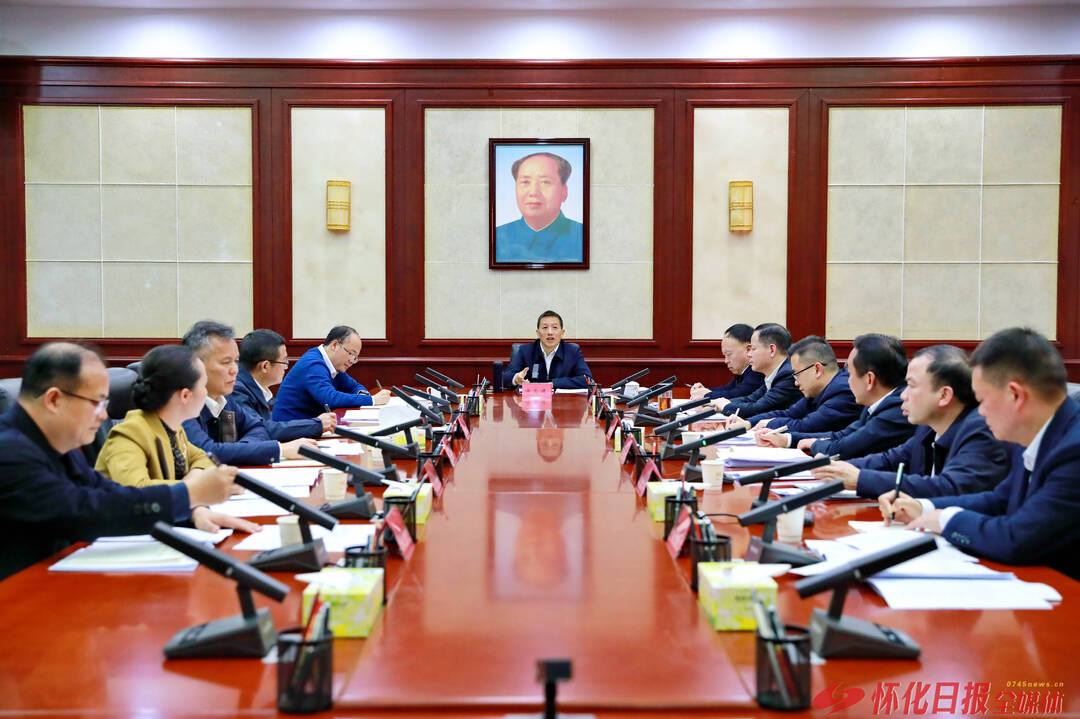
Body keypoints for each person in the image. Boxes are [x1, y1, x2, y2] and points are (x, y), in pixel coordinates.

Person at [0, 342, 245, 581]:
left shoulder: (57, 442)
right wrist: (188, 494)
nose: (104, 415)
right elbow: (84, 512)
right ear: (54, 400)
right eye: (97, 403)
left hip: (56, 578)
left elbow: (107, 491)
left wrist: (191, 512)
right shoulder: (10, 452)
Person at [883, 328, 1080, 580]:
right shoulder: (1035, 433)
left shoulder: (1073, 450)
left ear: (1015, 395)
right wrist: (923, 507)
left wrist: (946, 519)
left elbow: (1018, 538)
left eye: (983, 400)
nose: (980, 412)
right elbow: (999, 500)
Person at [812, 345, 1009, 499]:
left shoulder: (981, 430)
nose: (903, 395)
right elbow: (891, 460)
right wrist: (835, 467)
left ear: (944, 395)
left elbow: (949, 487)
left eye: (911, 386)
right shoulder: (927, 427)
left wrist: (860, 479)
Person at [181, 321, 317, 466]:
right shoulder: (183, 402)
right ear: (196, 365)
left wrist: (240, 449)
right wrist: (279, 450)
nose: (235, 370)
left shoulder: (225, 398)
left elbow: (257, 427)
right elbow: (207, 452)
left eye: (236, 361)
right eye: (226, 362)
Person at [759, 333, 916, 458]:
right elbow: (843, 435)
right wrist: (788, 439)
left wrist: (813, 444)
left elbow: (845, 447)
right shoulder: (875, 403)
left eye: (850, 374)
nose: (848, 380)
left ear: (869, 379)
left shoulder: (897, 408)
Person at [734, 335, 861, 440]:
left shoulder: (843, 391)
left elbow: (806, 426)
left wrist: (769, 423)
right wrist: (749, 423)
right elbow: (789, 413)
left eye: (797, 374)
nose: (796, 382)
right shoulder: (819, 390)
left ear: (817, 369)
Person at [234, 329, 337, 441]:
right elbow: (261, 430)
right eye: (284, 361)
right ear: (265, 366)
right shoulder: (236, 391)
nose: (286, 367)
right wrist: (316, 424)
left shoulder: (249, 384)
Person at [273, 325, 390, 421]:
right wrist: (372, 400)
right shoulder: (314, 364)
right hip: (290, 430)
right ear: (335, 345)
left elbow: (354, 386)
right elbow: (330, 399)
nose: (351, 361)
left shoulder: (332, 364)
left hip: (309, 425)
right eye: (351, 354)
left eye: (355, 357)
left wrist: (364, 396)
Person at [494, 152, 584, 263]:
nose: (533, 192)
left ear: (564, 192)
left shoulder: (583, 236)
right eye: (525, 182)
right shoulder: (496, 236)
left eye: (545, 182)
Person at [712, 323, 802, 418]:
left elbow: (757, 408)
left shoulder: (787, 375)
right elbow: (751, 399)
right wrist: (716, 403)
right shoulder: (775, 373)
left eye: (753, 349)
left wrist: (725, 406)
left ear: (772, 350)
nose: (749, 354)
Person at [502, 310, 592, 390]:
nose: (550, 332)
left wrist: (553, 384)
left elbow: (587, 380)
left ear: (562, 333)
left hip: (562, 401)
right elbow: (504, 378)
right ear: (538, 333)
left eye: (555, 327)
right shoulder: (525, 351)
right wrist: (516, 378)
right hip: (532, 401)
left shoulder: (572, 352)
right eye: (545, 327)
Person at [688, 323, 765, 401]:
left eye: (729, 354)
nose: (726, 361)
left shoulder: (757, 370)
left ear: (748, 349)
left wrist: (706, 395)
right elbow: (728, 388)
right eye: (724, 355)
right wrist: (705, 390)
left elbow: (737, 394)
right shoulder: (743, 370)